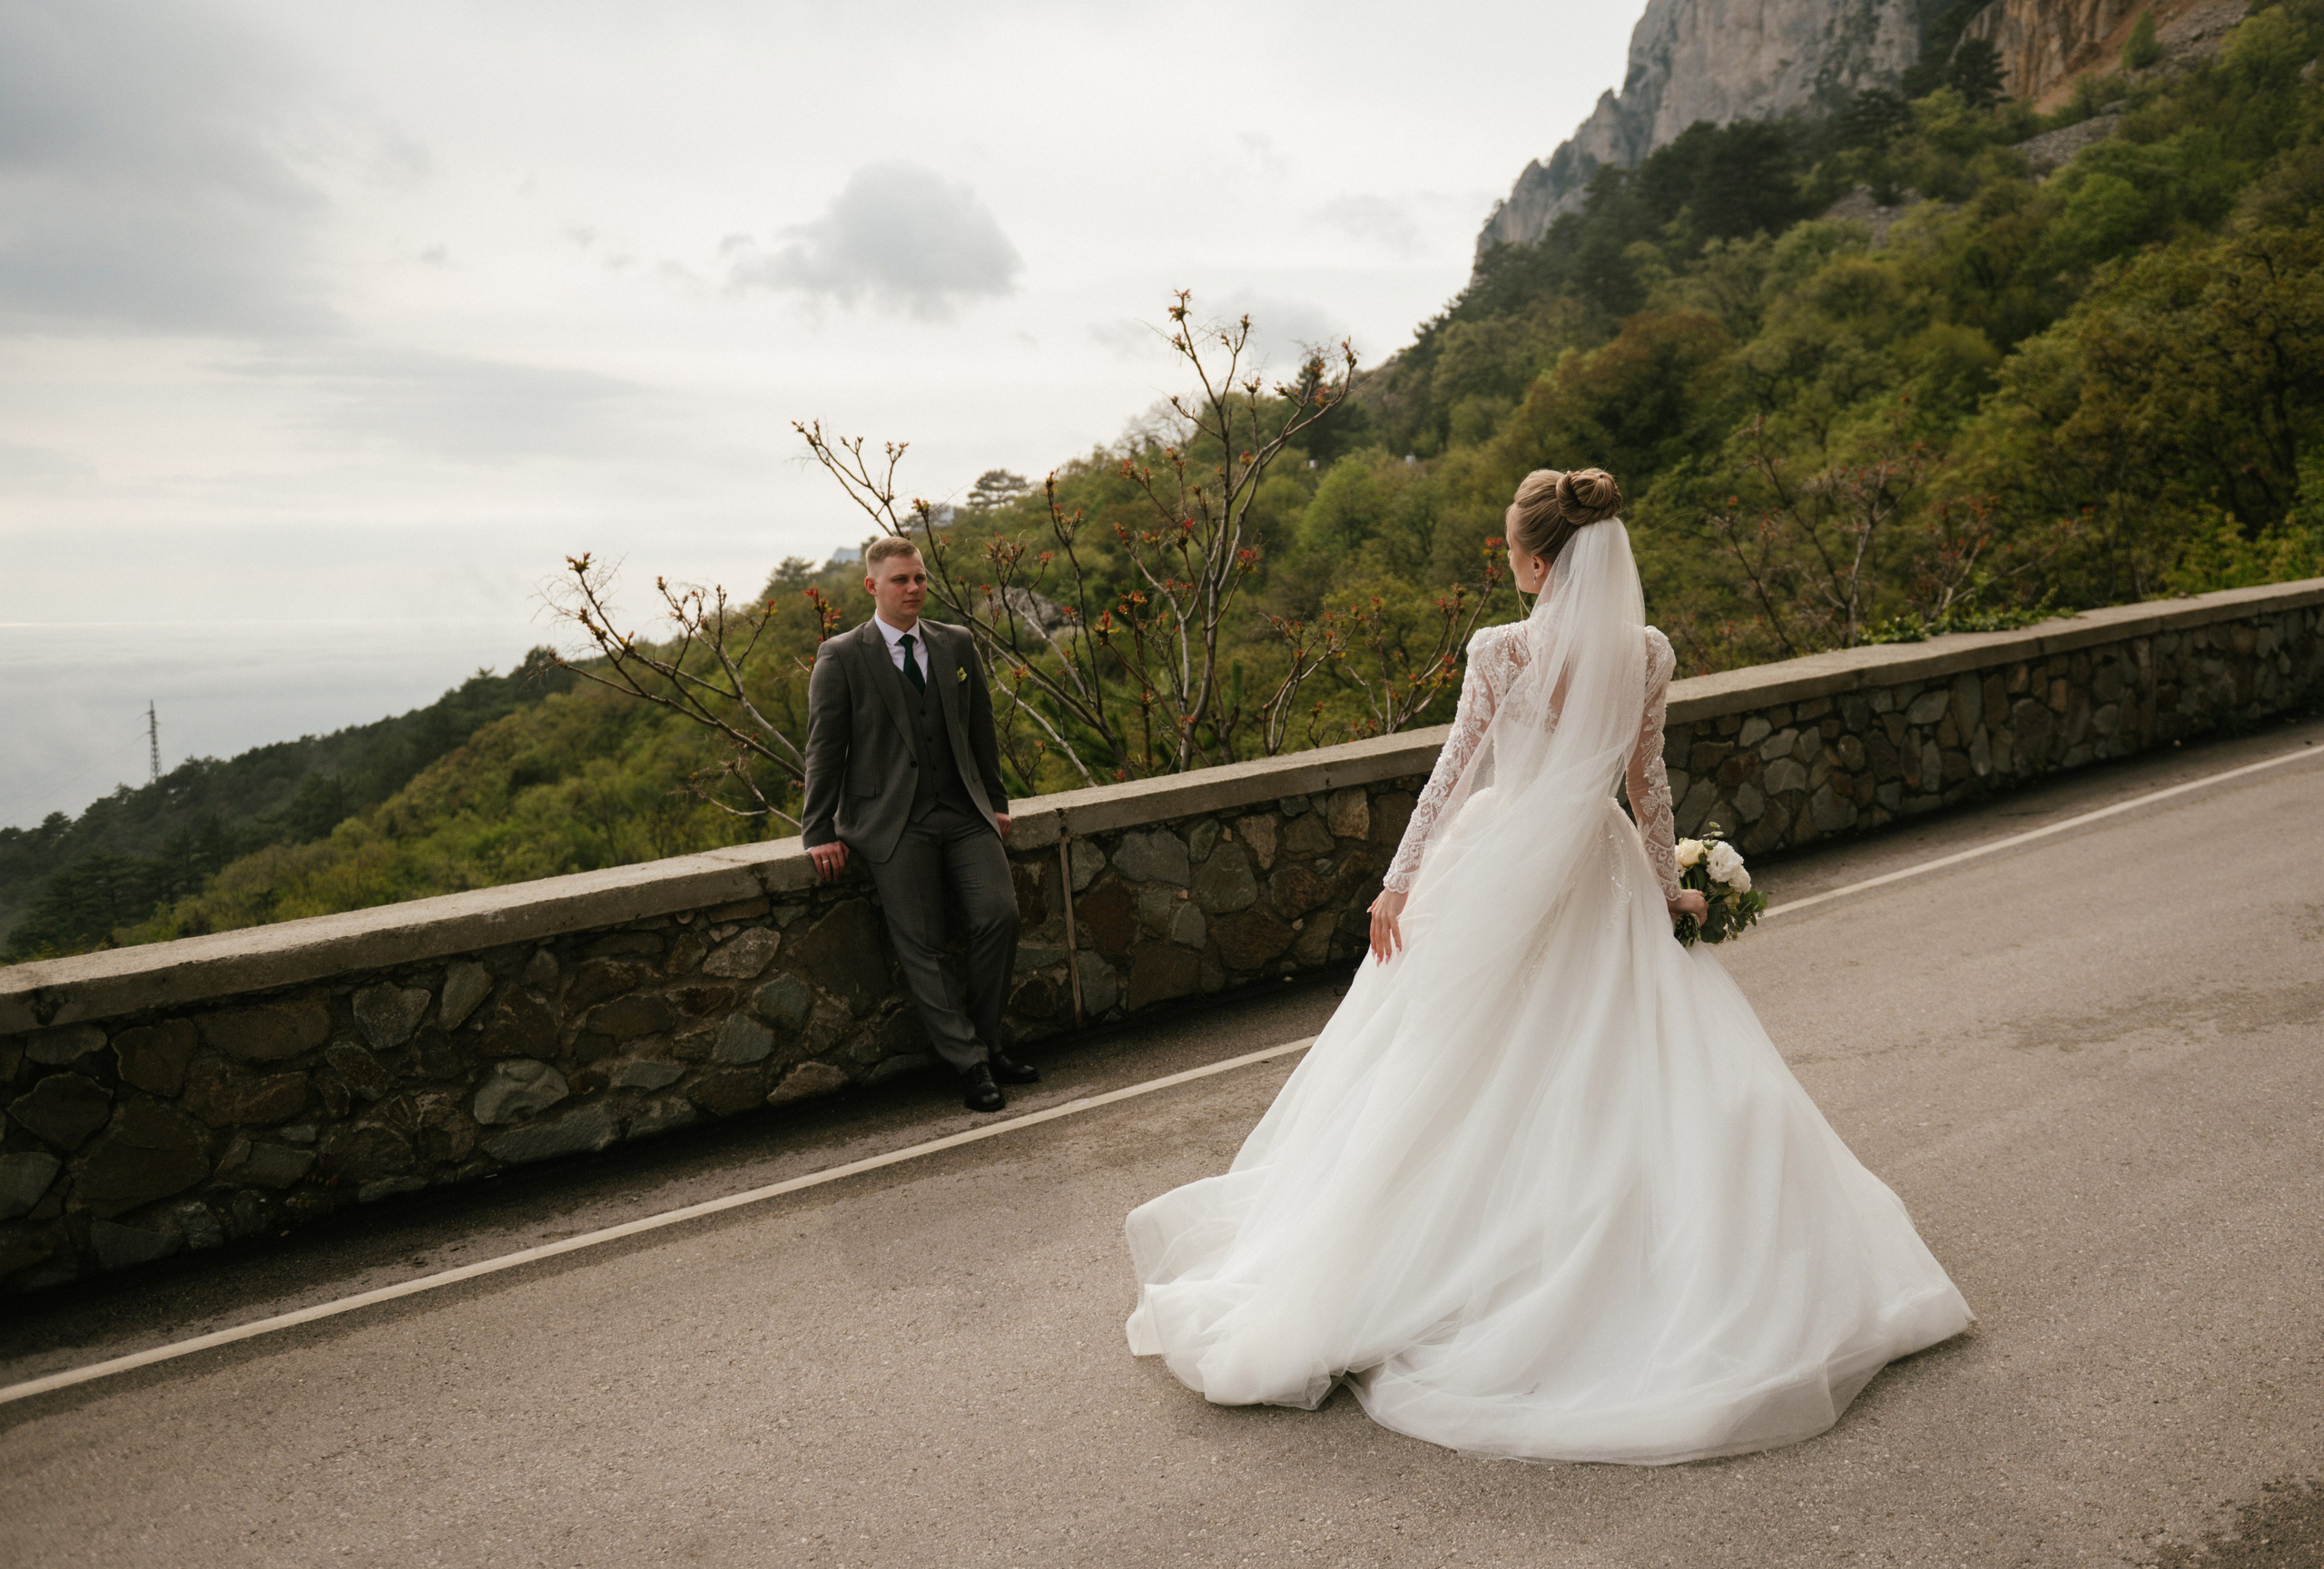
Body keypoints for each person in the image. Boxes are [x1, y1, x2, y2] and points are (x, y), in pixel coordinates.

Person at [1123, 469, 1972, 1464]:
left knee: (1451, 1064)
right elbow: (1647, 785)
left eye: (1511, 551)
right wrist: (1668, 889)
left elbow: (1452, 772)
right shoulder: (1646, 651)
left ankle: (1441, 1250)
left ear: (1534, 561)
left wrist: (1397, 884)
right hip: (1600, 867)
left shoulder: (1502, 648)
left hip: (1496, 860)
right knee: (1620, 1054)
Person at [800, 537, 1035, 1113]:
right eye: (900, 579)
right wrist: (818, 831)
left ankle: (987, 1041)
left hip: (963, 811)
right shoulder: (841, 655)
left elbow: (981, 730)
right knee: (923, 945)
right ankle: (972, 1063)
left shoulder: (956, 643)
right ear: (872, 586)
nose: (913, 588)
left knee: (999, 917)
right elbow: (824, 750)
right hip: (892, 821)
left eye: (919, 578)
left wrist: (996, 801)